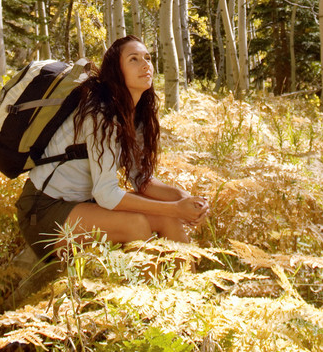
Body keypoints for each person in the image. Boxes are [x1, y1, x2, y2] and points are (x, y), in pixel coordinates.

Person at [15, 35, 209, 257]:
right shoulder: (100, 114)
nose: (145, 64)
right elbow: (106, 193)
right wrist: (175, 208)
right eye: (133, 59)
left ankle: (189, 287)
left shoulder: (135, 116)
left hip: (83, 205)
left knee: (169, 219)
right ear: (116, 71)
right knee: (135, 225)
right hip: (43, 211)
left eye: (147, 57)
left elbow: (141, 180)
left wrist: (183, 199)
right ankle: (148, 290)